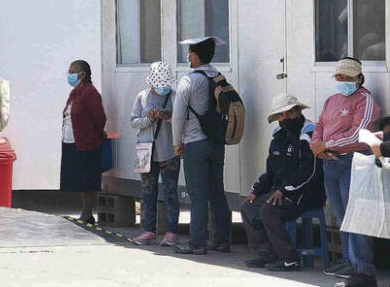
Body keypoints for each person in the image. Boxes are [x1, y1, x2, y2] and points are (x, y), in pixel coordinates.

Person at [310, 57, 380, 287]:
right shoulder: (332, 100)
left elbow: (358, 134)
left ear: (358, 78)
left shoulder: (365, 100)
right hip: (331, 162)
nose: (342, 81)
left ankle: (363, 270)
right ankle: (350, 262)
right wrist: (317, 146)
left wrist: (326, 145)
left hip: (353, 161)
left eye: (347, 78)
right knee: (342, 216)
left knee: (356, 217)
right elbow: (319, 125)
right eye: (339, 77)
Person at [241, 94, 326, 271]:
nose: (284, 119)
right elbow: (271, 172)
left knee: (269, 211)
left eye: (288, 114)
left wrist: (285, 190)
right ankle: (268, 255)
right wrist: (257, 191)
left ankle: (290, 260)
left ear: (297, 112)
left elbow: (310, 172)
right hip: (281, 191)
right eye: (280, 116)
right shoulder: (278, 137)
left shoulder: (309, 133)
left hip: (307, 194)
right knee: (248, 207)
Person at [171, 36, 231, 255]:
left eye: (189, 53)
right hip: (217, 142)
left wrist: (177, 142)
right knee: (217, 192)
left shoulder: (189, 80)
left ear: (194, 56)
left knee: (197, 196)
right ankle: (222, 240)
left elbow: (178, 116)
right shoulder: (219, 77)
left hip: (195, 144)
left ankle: (197, 243)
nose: (188, 57)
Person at [130, 61, 180, 246]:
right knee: (148, 192)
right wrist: (148, 119)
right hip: (145, 151)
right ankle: (148, 230)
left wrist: (168, 118)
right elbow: (133, 121)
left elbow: (181, 121)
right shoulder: (142, 97)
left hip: (169, 151)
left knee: (170, 192)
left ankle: (172, 231)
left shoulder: (175, 97)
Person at [59, 60, 107, 224]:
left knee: (87, 179)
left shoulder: (90, 93)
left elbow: (100, 118)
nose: (69, 74)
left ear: (83, 74)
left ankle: (87, 213)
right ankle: (85, 212)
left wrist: (94, 134)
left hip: (86, 143)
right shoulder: (74, 93)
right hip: (71, 141)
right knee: (78, 179)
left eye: (73, 71)